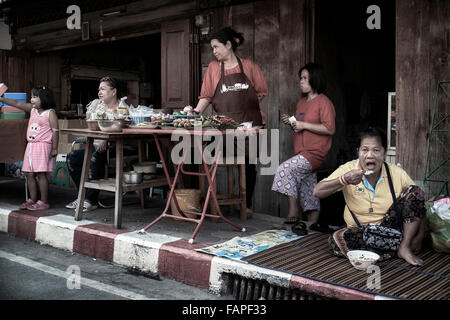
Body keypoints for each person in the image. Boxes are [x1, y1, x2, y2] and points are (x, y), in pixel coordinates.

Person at [313, 127, 427, 266]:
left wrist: (419, 237)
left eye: (376, 150)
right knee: (337, 239)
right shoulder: (348, 170)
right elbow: (317, 191)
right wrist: (344, 180)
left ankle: (403, 246)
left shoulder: (396, 173)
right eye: (365, 150)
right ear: (358, 152)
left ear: (384, 153)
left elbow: (418, 202)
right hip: (362, 232)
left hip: (392, 230)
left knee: (415, 191)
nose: (370, 155)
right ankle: (391, 250)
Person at [194, 26, 269, 217]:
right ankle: (220, 204)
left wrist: (243, 108)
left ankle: (247, 204)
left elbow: (260, 92)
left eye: (216, 47)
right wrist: (193, 113)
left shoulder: (249, 66)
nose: (214, 51)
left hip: (248, 125)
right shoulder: (213, 68)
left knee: (248, 166)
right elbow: (207, 96)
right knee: (222, 163)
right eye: (212, 48)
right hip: (223, 126)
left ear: (228, 45)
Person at [271, 63, 336, 226]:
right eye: (301, 78)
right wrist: (291, 121)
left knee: (284, 170)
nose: (301, 81)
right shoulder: (301, 103)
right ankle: (312, 225)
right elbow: (301, 124)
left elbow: (330, 128)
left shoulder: (324, 102)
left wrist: (304, 125)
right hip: (301, 152)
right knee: (309, 189)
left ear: (315, 79)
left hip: (314, 153)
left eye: (305, 78)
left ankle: (293, 211)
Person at [66, 76, 128, 212]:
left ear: (113, 92)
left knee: (97, 155)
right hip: (96, 145)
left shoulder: (123, 108)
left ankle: (90, 200)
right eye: (99, 89)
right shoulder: (98, 106)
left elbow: (123, 128)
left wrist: (106, 140)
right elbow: (92, 125)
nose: (99, 92)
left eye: (103, 89)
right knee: (72, 158)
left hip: (115, 146)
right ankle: (83, 195)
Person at [0, 86, 59, 210]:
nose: (32, 99)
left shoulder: (50, 113)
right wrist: (2, 100)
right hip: (31, 146)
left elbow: (55, 131)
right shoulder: (32, 110)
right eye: (31, 96)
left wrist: (54, 148)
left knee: (41, 174)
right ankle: (32, 199)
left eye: (35, 97)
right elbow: (16, 103)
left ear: (44, 98)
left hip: (43, 146)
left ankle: (43, 202)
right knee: (29, 174)